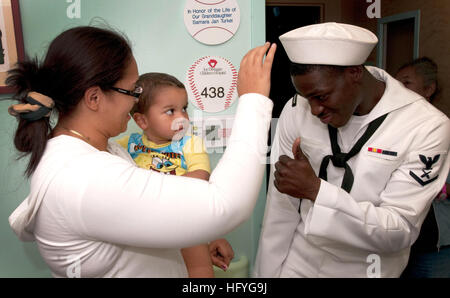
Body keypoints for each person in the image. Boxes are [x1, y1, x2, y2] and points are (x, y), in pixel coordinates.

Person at [5, 26, 276, 277]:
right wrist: (254, 101)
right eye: (132, 90)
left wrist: (198, 234)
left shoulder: (92, 153)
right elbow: (227, 205)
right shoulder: (85, 177)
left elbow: (146, 217)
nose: (136, 101)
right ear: (94, 97)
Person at [253, 22, 450, 278]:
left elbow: (399, 230)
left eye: (321, 97)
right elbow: (281, 208)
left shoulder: (426, 127)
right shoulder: (295, 108)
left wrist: (316, 191)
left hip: (368, 268)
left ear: (355, 73)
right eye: (306, 98)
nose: (314, 110)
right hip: (299, 264)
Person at [116, 72, 234, 276]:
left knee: (199, 267)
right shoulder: (127, 144)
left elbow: (200, 178)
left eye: (184, 109)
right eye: (170, 111)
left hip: (185, 222)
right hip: (145, 225)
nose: (181, 117)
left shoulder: (190, 143)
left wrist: (151, 188)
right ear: (142, 121)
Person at [395, 57, 450, 278]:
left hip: (433, 247)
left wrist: (438, 188)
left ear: (429, 89)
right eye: (395, 84)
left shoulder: (442, 128)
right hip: (397, 244)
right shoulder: (392, 129)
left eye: (406, 83)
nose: (398, 90)